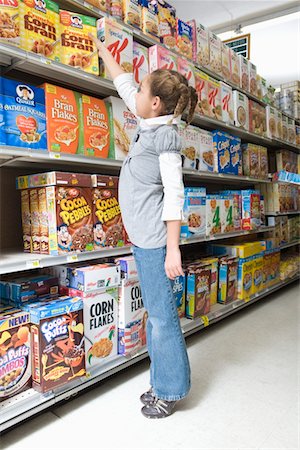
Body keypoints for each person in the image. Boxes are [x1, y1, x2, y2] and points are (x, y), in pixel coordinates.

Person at [90, 34, 198, 419]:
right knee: (156, 313)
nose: (133, 95)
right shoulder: (150, 123)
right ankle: (160, 380)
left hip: (156, 242)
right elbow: (125, 83)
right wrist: (104, 51)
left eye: (142, 92)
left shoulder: (165, 138)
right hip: (144, 239)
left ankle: (170, 389)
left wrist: (173, 248)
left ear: (154, 104)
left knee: (163, 316)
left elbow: (175, 194)